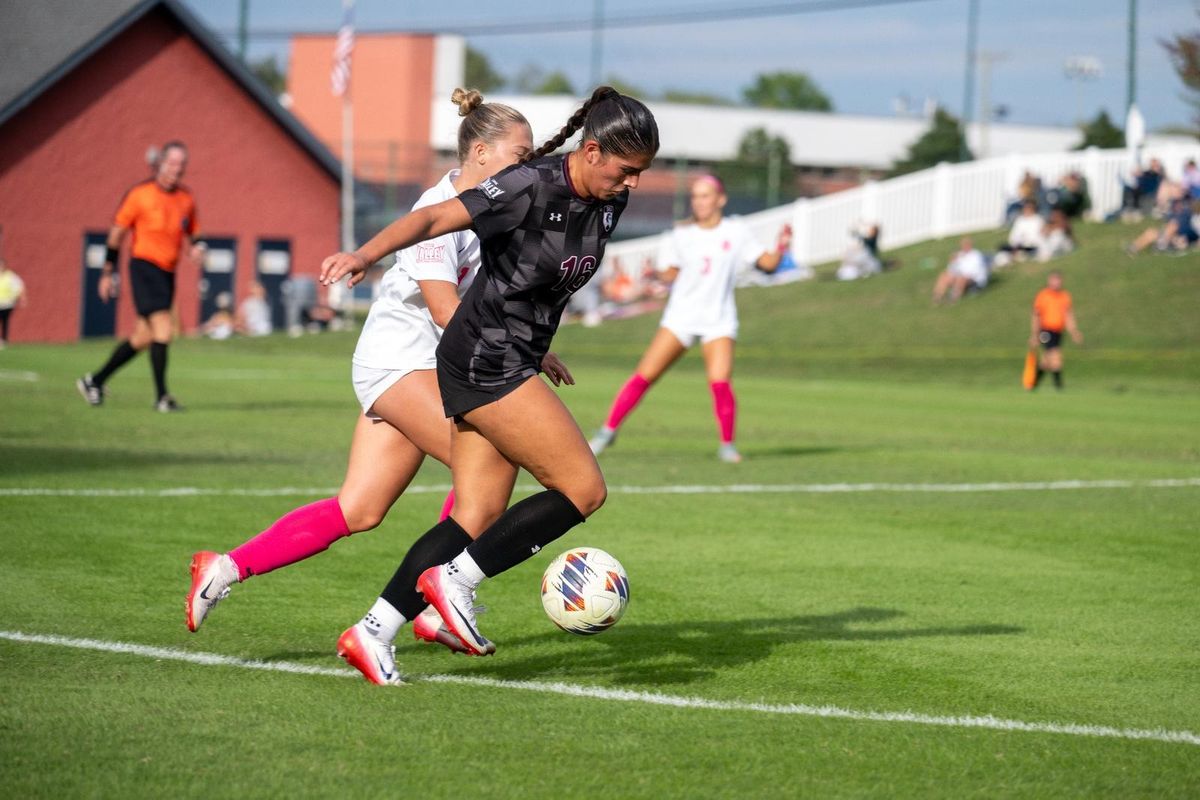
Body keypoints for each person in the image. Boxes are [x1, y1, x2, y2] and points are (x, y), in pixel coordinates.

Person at [184, 90, 554, 656]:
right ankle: (436, 603)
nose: (527, 167)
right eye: (520, 155)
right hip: (400, 362)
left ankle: (224, 567)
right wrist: (516, 351)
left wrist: (531, 346)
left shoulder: (491, 211)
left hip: (425, 368)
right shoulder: (440, 208)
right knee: (487, 471)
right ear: (480, 152)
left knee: (358, 509)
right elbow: (445, 312)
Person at [318, 86, 659, 684]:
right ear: (593, 151)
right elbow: (433, 217)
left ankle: (373, 631)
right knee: (582, 489)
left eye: (641, 172)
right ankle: (455, 581)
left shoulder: (611, 200)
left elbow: (537, 284)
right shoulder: (527, 185)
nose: (633, 183)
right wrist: (364, 254)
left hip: (509, 355)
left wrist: (540, 346)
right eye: (626, 170)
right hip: (485, 357)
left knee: (476, 514)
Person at [589, 175, 786, 464]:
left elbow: (768, 264)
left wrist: (781, 246)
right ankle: (607, 432)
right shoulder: (680, 235)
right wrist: (655, 274)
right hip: (680, 318)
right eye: (695, 196)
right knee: (644, 376)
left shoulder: (736, 231)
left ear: (720, 199)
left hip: (718, 319)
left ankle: (727, 446)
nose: (699, 202)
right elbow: (670, 273)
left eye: (705, 196)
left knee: (720, 383)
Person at [77, 141, 203, 412]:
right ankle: (162, 398)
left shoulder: (186, 198)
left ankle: (94, 381)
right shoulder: (140, 194)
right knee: (164, 327)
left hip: (168, 272)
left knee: (144, 337)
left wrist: (197, 249)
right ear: (160, 164)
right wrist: (107, 273)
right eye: (172, 163)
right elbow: (116, 235)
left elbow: (194, 233)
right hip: (144, 267)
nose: (176, 169)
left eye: (181, 164)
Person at [1028, 271, 1082, 391]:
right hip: (1045, 331)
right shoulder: (1043, 295)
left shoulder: (1064, 296)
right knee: (1056, 356)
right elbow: (1036, 315)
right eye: (1054, 280)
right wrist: (1034, 334)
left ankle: (1033, 383)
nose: (1056, 283)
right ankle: (1059, 386)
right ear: (1049, 281)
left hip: (1058, 331)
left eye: (1058, 280)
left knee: (1046, 361)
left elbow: (1068, 316)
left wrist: (1074, 332)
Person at [931, 236, 989, 304]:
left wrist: (959, 274)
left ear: (970, 245)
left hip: (975, 279)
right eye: (962, 245)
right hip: (960, 276)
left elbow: (975, 270)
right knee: (944, 275)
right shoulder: (960, 254)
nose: (964, 247)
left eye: (966, 244)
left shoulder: (976, 255)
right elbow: (952, 270)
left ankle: (953, 299)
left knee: (961, 278)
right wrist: (952, 262)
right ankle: (937, 297)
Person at [994, 201, 1044, 266]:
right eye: (1025, 208)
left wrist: (1026, 242)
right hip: (1018, 246)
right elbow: (1013, 236)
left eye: (1029, 208)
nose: (1026, 210)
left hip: (1031, 246)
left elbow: (1039, 238)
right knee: (1002, 250)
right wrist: (1016, 244)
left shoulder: (1038, 220)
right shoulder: (1020, 220)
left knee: (1024, 253)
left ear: (1033, 209)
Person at [0, 258, 26, 348]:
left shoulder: (10, 276)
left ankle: (4, 340)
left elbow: (19, 286)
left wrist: (22, 298)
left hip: (7, 303)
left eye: (1, 265)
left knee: (5, 321)